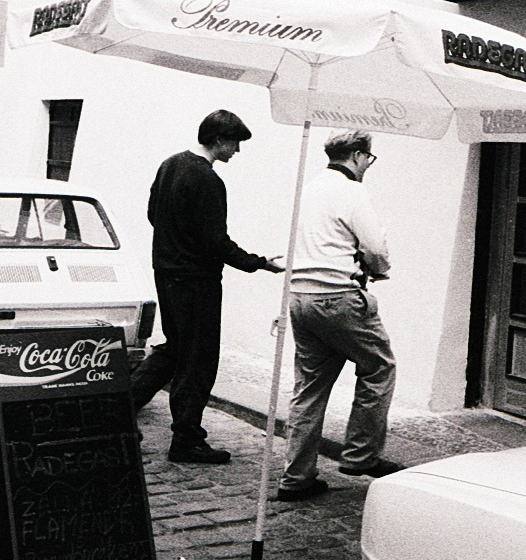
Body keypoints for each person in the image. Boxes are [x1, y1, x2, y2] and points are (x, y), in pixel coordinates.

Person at [136, 110, 281, 463]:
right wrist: (259, 263)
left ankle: (114, 411)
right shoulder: (208, 180)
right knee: (198, 360)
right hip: (196, 281)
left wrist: (176, 241)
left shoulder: (170, 164)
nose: (237, 151)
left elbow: (154, 214)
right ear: (218, 140)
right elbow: (217, 241)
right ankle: (186, 439)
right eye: (234, 143)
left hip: (166, 272)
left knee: (174, 350)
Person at [277, 131, 395, 501]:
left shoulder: (309, 188)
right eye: (368, 160)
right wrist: (380, 269)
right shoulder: (352, 191)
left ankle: (296, 477)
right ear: (358, 156)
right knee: (379, 367)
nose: (367, 167)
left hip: (300, 297)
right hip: (338, 297)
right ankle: (360, 456)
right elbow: (374, 246)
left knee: (309, 388)